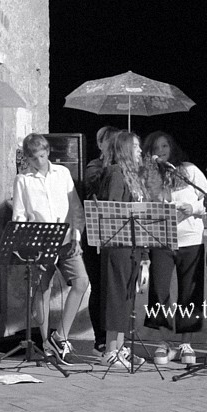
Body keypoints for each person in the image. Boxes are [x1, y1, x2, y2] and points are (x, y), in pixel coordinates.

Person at [12, 133, 90, 366]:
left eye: (43, 156)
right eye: (34, 158)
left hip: (66, 238)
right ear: (27, 158)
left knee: (81, 282)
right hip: (39, 242)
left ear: (48, 153)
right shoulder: (22, 180)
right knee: (42, 290)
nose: (39, 161)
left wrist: (76, 236)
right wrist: (26, 242)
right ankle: (46, 344)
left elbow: (75, 207)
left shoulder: (63, 173)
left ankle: (61, 336)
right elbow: (19, 214)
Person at [142, 131, 207, 365]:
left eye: (165, 146)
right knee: (160, 291)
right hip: (161, 240)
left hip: (190, 239)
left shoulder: (189, 170)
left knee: (189, 293)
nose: (161, 151)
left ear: (172, 148)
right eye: (156, 147)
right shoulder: (148, 175)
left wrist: (193, 208)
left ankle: (186, 343)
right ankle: (164, 342)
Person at [97, 130, 147, 368]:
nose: (140, 151)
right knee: (116, 296)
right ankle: (109, 350)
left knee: (127, 297)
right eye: (136, 147)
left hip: (133, 245)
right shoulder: (116, 173)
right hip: (118, 245)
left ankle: (120, 347)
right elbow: (113, 211)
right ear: (126, 149)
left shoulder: (134, 176)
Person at [83, 125, 120, 354]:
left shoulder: (124, 168)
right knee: (99, 287)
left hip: (119, 236)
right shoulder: (95, 166)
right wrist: (109, 164)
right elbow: (94, 189)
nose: (112, 146)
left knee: (115, 290)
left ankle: (117, 342)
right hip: (96, 233)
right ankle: (100, 339)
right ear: (100, 144)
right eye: (108, 142)